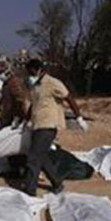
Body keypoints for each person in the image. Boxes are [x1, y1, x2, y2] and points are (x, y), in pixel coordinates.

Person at [22, 58, 89, 196]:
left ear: (37, 70)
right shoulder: (35, 86)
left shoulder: (52, 83)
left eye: (30, 72)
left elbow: (68, 97)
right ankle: (57, 183)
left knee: (34, 157)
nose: (29, 75)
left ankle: (30, 190)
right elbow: (34, 105)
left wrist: (79, 118)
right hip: (37, 125)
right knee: (42, 156)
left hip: (48, 125)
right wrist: (23, 121)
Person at [0, 64, 29, 129]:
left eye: (1, 72)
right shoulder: (6, 83)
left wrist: (19, 115)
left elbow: (20, 98)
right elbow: (5, 96)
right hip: (8, 111)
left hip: (13, 112)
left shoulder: (15, 83)